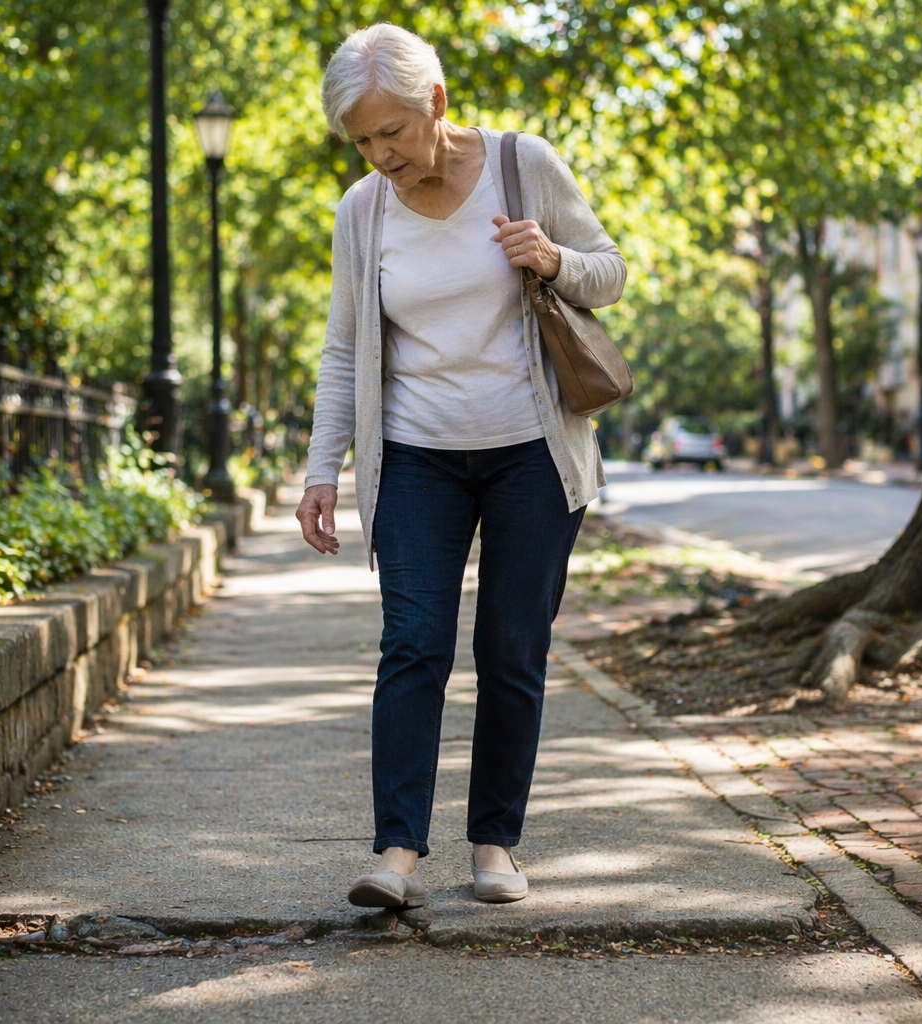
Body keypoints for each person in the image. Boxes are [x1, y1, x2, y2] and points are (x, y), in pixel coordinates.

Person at [297, 22, 626, 909]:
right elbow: (343, 350)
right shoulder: (361, 211)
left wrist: (552, 259)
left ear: (434, 103)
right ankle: (396, 853)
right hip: (414, 458)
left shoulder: (525, 165)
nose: (379, 154)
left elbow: (611, 272)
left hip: (532, 453)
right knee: (413, 645)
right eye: (362, 140)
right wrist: (322, 468)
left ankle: (495, 847)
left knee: (511, 649)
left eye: (391, 132)